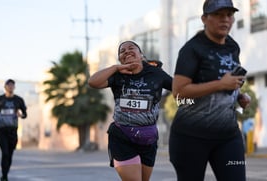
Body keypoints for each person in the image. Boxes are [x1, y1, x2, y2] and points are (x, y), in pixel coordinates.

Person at [169, 0, 251, 180]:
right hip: (191, 137)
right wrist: (220, 84)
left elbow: (228, 79)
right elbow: (179, 92)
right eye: (218, 15)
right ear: (204, 19)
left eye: (229, 15)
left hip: (228, 136)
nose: (225, 20)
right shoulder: (192, 49)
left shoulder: (232, 46)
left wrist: (239, 96)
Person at [88, 40, 172, 181]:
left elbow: (180, 88)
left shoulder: (156, 74)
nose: (126, 51)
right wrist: (115, 68)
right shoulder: (117, 75)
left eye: (131, 48)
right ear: (120, 59)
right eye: (122, 51)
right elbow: (93, 82)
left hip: (149, 138)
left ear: (141, 55)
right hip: (122, 136)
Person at [0, 79, 27, 181]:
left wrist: (21, 115)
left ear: (14, 87)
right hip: (1, 130)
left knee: (10, 154)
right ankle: (4, 176)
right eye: (8, 85)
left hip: (13, 131)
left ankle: (5, 173)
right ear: (5, 87)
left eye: (12, 85)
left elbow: (25, 114)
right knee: (5, 153)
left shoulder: (19, 100)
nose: (10, 87)